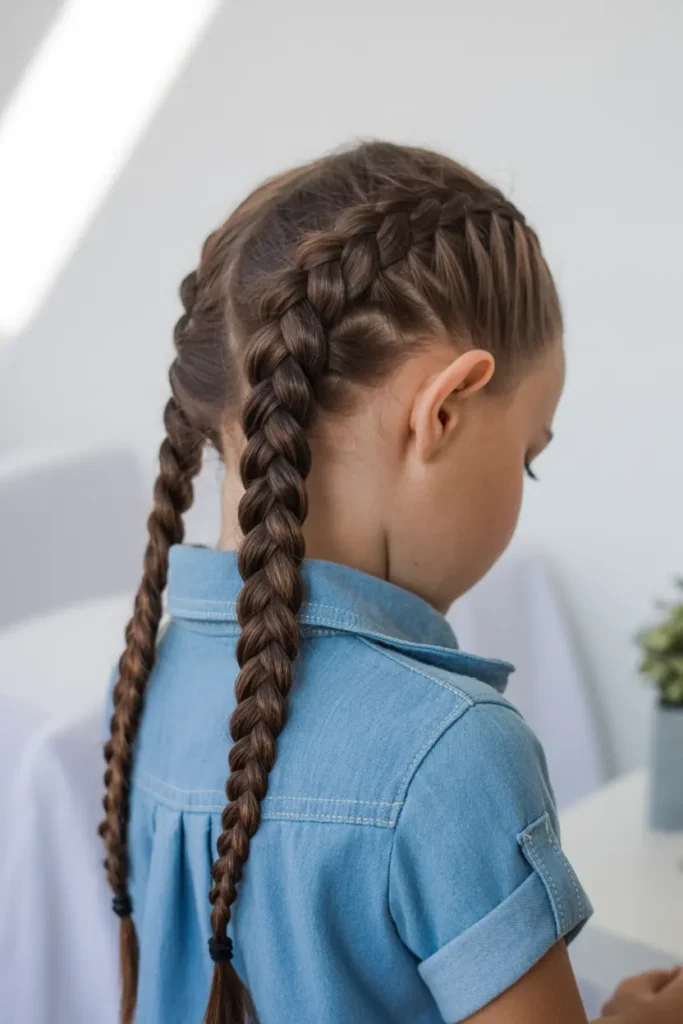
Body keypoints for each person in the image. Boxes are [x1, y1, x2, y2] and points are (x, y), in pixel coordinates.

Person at [100, 141, 683, 1024]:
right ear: (442, 410)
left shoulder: (148, 677)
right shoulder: (452, 753)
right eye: (527, 457)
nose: (523, 483)